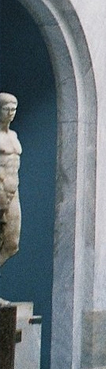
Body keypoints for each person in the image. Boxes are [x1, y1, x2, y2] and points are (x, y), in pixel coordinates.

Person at [0, 93, 22, 267]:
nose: (10, 113)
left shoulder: (13, 135)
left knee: (12, 243)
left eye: (13, 109)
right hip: (0, 189)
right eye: (6, 109)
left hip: (13, 190)